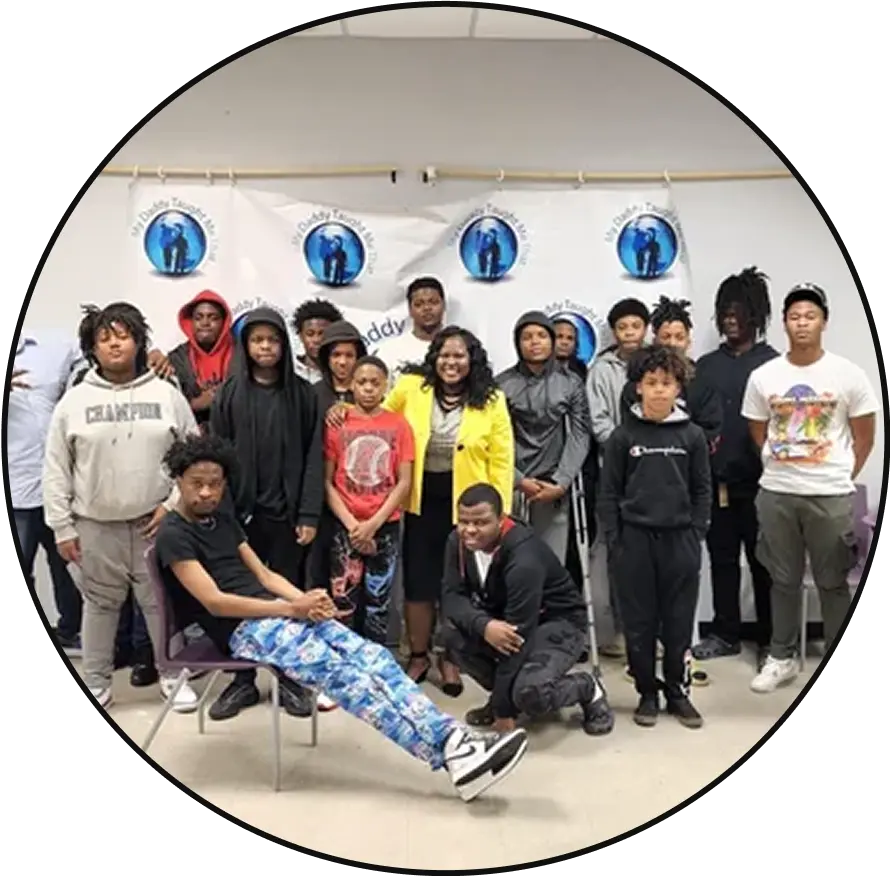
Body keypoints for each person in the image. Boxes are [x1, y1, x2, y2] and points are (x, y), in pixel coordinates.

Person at [154, 432, 529, 803]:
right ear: (179, 480)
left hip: (276, 611)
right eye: (197, 483)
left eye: (215, 484)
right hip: (243, 628)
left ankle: (455, 739)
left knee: (375, 658)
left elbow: (265, 576)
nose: (207, 492)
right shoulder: (173, 533)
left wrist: (306, 601)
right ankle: (452, 754)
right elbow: (215, 602)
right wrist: (291, 609)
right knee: (350, 680)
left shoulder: (222, 518)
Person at [41, 303, 200, 711]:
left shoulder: (167, 395)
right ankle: (96, 681)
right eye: (104, 338)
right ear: (92, 348)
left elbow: (195, 459)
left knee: (161, 603)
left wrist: (173, 506)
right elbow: (56, 467)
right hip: (95, 526)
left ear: (138, 341)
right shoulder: (73, 402)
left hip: (156, 522)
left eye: (123, 336)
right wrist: (62, 527)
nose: (114, 344)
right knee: (99, 606)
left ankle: (173, 676)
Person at [743, 284, 879, 693]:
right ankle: (781, 658)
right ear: (785, 323)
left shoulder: (848, 374)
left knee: (832, 581)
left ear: (823, 322)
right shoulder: (764, 376)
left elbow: (865, 437)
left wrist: (837, 474)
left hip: (829, 494)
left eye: (810, 316)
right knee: (782, 580)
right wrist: (782, 464)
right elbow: (757, 430)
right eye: (794, 317)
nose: (802, 323)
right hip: (777, 493)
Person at [207, 307, 324, 720]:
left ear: (284, 345)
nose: (265, 347)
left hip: (287, 518)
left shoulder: (303, 395)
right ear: (246, 346)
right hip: (240, 517)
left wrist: (309, 514)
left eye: (272, 340)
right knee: (241, 598)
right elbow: (216, 458)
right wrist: (222, 514)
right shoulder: (229, 394)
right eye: (257, 340)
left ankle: (289, 678)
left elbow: (314, 458)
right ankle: (242, 680)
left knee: (288, 595)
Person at [442, 483, 615, 735]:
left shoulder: (524, 558)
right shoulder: (457, 542)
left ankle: (587, 687)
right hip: (506, 621)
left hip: (558, 625)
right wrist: (484, 625)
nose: (469, 530)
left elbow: (517, 638)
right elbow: (451, 597)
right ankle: (505, 695)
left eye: (481, 522)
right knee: (452, 635)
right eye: (463, 521)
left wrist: (503, 714)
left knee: (531, 693)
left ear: (501, 519)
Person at [598, 346, 711, 728]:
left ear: (678, 388)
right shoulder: (622, 436)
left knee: (678, 622)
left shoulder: (692, 435)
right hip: (634, 542)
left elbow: (702, 489)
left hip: (680, 541)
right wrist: (616, 540)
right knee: (639, 623)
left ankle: (677, 691)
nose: (659, 390)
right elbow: (609, 493)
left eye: (667, 383)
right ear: (638, 387)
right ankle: (647, 691)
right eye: (651, 383)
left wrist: (696, 531)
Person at [692, 269, 779, 668]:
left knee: (764, 564)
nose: (730, 318)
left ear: (756, 315)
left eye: (738, 311)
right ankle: (725, 634)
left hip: (763, 485)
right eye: (724, 311)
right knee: (722, 561)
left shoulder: (774, 365)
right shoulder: (705, 367)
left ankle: (771, 641)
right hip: (717, 485)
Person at [324, 355, 413, 645]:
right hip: (345, 525)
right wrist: (353, 525)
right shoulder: (337, 423)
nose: (368, 388)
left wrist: (373, 524)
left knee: (378, 601)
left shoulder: (399, 425)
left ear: (386, 385)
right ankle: (344, 657)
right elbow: (327, 481)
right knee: (342, 599)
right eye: (362, 382)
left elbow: (404, 482)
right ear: (351, 384)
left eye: (375, 383)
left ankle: (375, 659)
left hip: (384, 525)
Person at [11, 330, 85, 653]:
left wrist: (154, 355)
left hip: (57, 485)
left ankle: (71, 631)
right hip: (15, 487)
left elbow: (98, 352)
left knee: (67, 566)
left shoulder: (54, 347)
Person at [497, 312, 590, 564]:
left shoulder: (571, 384)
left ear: (551, 341)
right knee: (513, 561)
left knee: (551, 562)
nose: (535, 342)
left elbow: (580, 434)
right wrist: (518, 479)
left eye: (541, 335)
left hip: (553, 484)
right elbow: (493, 440)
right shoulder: (501, 385)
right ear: (517, 343)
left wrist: (562, 481)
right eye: (527, 337)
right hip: (513, 482)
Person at [586, 298, 650, 661]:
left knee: (651, 555)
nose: (629, 333)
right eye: (622, 327)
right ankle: (623, 631)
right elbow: (599, 422)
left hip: (656, 472)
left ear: (645, 329)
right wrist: (629, 448)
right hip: (615, 471)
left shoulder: (656, 363)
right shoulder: (601, 370)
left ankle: (653, 631)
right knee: (618, 554)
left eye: (635, 326)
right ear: (614, 331)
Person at [307, 320, 369, 599]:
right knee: (322, 574)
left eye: (349, 355)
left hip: (364, 500)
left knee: (363, 581)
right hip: (322, 499)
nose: (343, 362)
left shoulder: (372, 393)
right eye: (336, 355)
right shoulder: (312, 394)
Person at [619, 296, 723, 450]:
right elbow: (629, 433)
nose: (672, 343)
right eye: (666, 337)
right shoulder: (637, 384)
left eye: (679, 337)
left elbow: (710, 432)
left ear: (688, 342)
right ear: (655, 340)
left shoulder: (703, 382)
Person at [552, 317, 598, 643]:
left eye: (570, 337)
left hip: (582, 472)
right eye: (559, 336)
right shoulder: (535, 376)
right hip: (548, 470)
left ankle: (574, 628)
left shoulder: (584, 374)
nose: (564, 342)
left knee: (576, 550)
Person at [166, 290, 235, 432]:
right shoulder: (177, 358)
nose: (205, 323)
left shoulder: (241, 354)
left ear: (224, 322)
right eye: (198, 318)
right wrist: (195, 404)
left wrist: (219, 397)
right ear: (190, 322)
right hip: (192, 436)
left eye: (213, 318)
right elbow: (169, 406)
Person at [375, 276, 446, 384]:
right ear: (410, 309)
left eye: (433, 302)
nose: (427, 308)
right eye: (419, 304)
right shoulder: (389, 352)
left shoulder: (460, 349)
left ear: (444, 305)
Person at [291, 298, 344, 384]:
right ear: (301, 336)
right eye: (310, 334)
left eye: (322, 333)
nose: (316, 340)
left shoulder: (343, 372)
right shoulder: (290, 371)